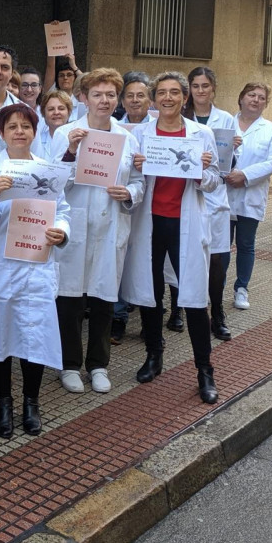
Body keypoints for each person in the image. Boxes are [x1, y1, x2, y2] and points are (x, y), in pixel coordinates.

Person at [0, 103, 70, 437]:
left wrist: (62, 231)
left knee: (34, 334)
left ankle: (31, 401)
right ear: (1, 133)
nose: (19, 132)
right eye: (12, 126)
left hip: (35, 265)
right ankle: (3, 401)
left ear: (34, 131)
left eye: (25, 126)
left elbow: (63, 211)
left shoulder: (48, 170)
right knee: (0, 333)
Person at [121, 71, 221, 404]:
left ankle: (204, 369)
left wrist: (203, 170)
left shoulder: (201, 134)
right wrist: (135, 167)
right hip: (151, 221)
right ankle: (154, 355)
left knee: (193, 298)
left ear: (184, 97)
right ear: (153, 98)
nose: (167, 98)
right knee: (150, 292)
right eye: (161, 92)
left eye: (174, 92)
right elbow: (133, 180)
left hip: (185, 222)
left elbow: (213, 182)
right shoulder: (140, 134)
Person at [50, 69, 144, 394]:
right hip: (75, 226)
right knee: (70, 298)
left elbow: (138, 181)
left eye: (110, 95)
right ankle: (69, 364)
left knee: (104, 298)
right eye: (97, 94)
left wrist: (129, 193)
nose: (104, 101)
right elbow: (51, 183)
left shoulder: (128, 138)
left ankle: (99, 364)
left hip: (110, 224)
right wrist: (72, 153)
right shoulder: (65, 133)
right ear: (83, 98)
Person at [184, 67, 236, 340]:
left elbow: (227, 164)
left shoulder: (225, 119)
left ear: (213, 89)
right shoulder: (181, 117)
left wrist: (233, 149)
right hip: (187, 196)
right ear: (189, 90)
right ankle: (178, 311)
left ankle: (217, 312)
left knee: (217, 259)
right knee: (183, 257)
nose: (201, 91)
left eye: (205, 86)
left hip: (215, 198)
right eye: (196, 86)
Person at [225, 82, 272, 312]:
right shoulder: (225, 123)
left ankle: (241, 288)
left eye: (261, 97)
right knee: (221, 245)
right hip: (225, 193)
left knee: (246, 244)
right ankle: (215, 286)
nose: (255, 100)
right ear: (241, 98)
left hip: (251, 194)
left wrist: (245, 176)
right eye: (251, 95)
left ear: (265, 104)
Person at [113, 71, 157, 342]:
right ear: (122, 100)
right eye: (129, 96)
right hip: (121, 200)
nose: (135, 100)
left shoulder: (159, 128)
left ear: (149, 99)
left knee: (149, 260)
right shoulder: (114, 130)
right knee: (120, 260)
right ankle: (118, 316)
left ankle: (151, 316)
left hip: (152, 204)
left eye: (141, 95)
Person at [34, 89, 74, 160]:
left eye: (61, 108)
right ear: (43, 114)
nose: (56, 112)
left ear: (69, 112)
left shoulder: (76, 139)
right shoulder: (37, 140)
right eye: (51, 109)